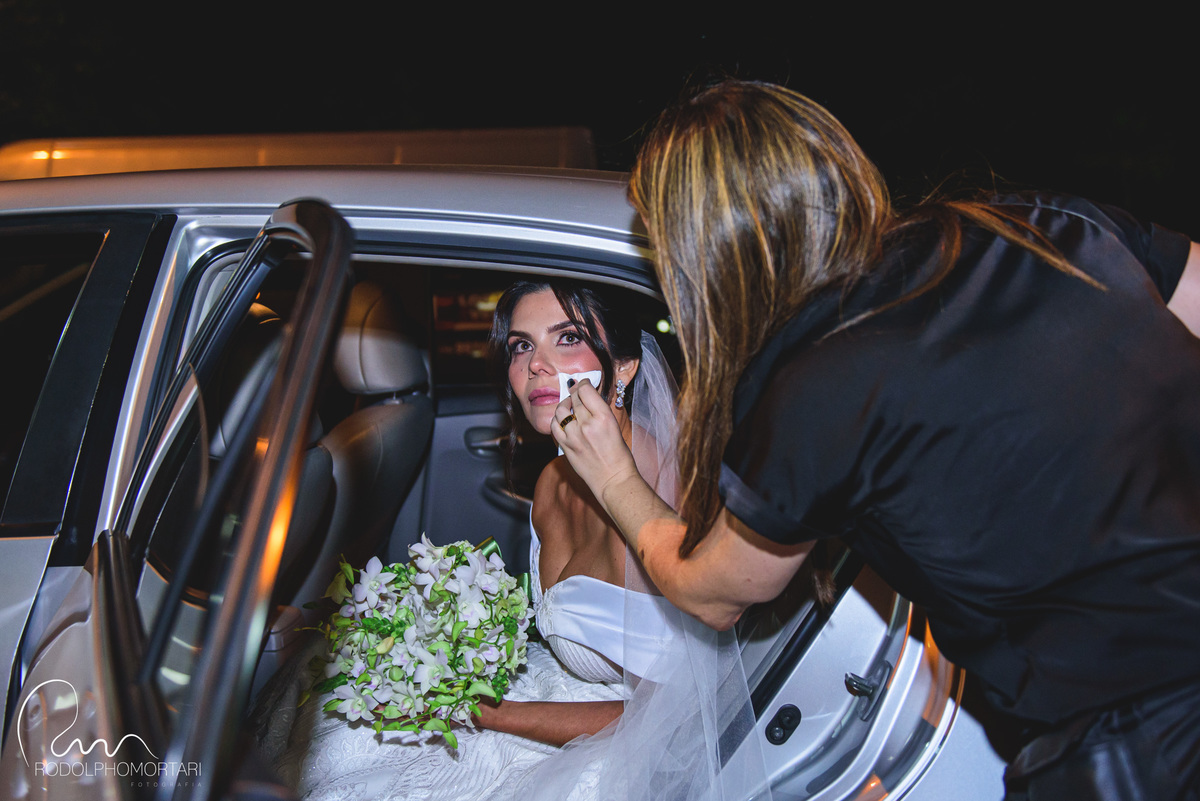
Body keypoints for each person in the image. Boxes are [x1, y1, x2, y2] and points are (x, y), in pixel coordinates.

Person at [553, 80, 1200, 800]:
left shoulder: (809, 391)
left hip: (1137, 742)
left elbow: (715, 592)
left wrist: (615, 479)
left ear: (702, 255)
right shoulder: (1037, 223)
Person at [256, 280, 767, 801]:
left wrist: (480, 709)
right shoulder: (552, 479)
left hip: (622, 746)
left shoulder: (658, 497)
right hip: (555, 690)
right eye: (521, 346)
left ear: (625, 367)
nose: (535, 365)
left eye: (567, 338)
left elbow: (672, 718)